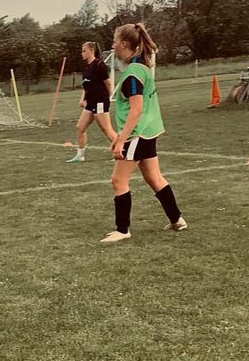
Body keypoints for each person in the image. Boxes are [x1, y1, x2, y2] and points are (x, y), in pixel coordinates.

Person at [102, 23, 187, 243]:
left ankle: (122, 229)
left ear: (124, 44)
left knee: (118, 180)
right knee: (153, 177)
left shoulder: (133, 73)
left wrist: (121, 140)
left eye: (114, 41)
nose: (112, 46)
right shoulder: (141, 68)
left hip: (137, 133)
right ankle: (177, 219)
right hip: (150, 131)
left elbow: (136, 108)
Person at [68, 41, 116, 162]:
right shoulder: (87, 68)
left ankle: (122, 152)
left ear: (91, 50)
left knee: (106, 129)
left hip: (100, 102)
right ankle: (80, 155)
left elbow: (108, 83)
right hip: (90, 103)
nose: (82, 53)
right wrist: (82, 99)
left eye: (84, 50)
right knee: (80, 127)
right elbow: (87, 86)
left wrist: (106, 98)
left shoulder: (99, 64)